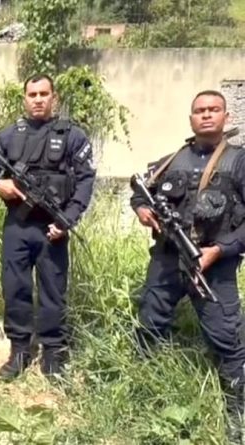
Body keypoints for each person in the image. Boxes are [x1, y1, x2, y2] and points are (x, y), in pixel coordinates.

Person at [131, 90, 245, 443]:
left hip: (213, 266)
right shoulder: (173, 160)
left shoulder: (238, 162)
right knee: (150, 326)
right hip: (167, 260)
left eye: (214, 110)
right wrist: (142, 209)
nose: (206, 115)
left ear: (226, 117)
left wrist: (220, 250)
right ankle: (144, 400)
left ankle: (236, 414)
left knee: (227, 338)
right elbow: (140, 190)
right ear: (191, 118)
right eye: (199, 110)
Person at [0, 73, 96, 380]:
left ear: (54, 97)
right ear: (25, 99)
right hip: (18, 225)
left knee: (53, 289)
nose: (39, 100)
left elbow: (85, 180)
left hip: (53, 227)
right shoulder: (10, 134)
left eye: (44, 94)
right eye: (33, 94)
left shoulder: (72, 135)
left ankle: (53, 351)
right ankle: (19, 349)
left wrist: (67, 219)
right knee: (15, 287)